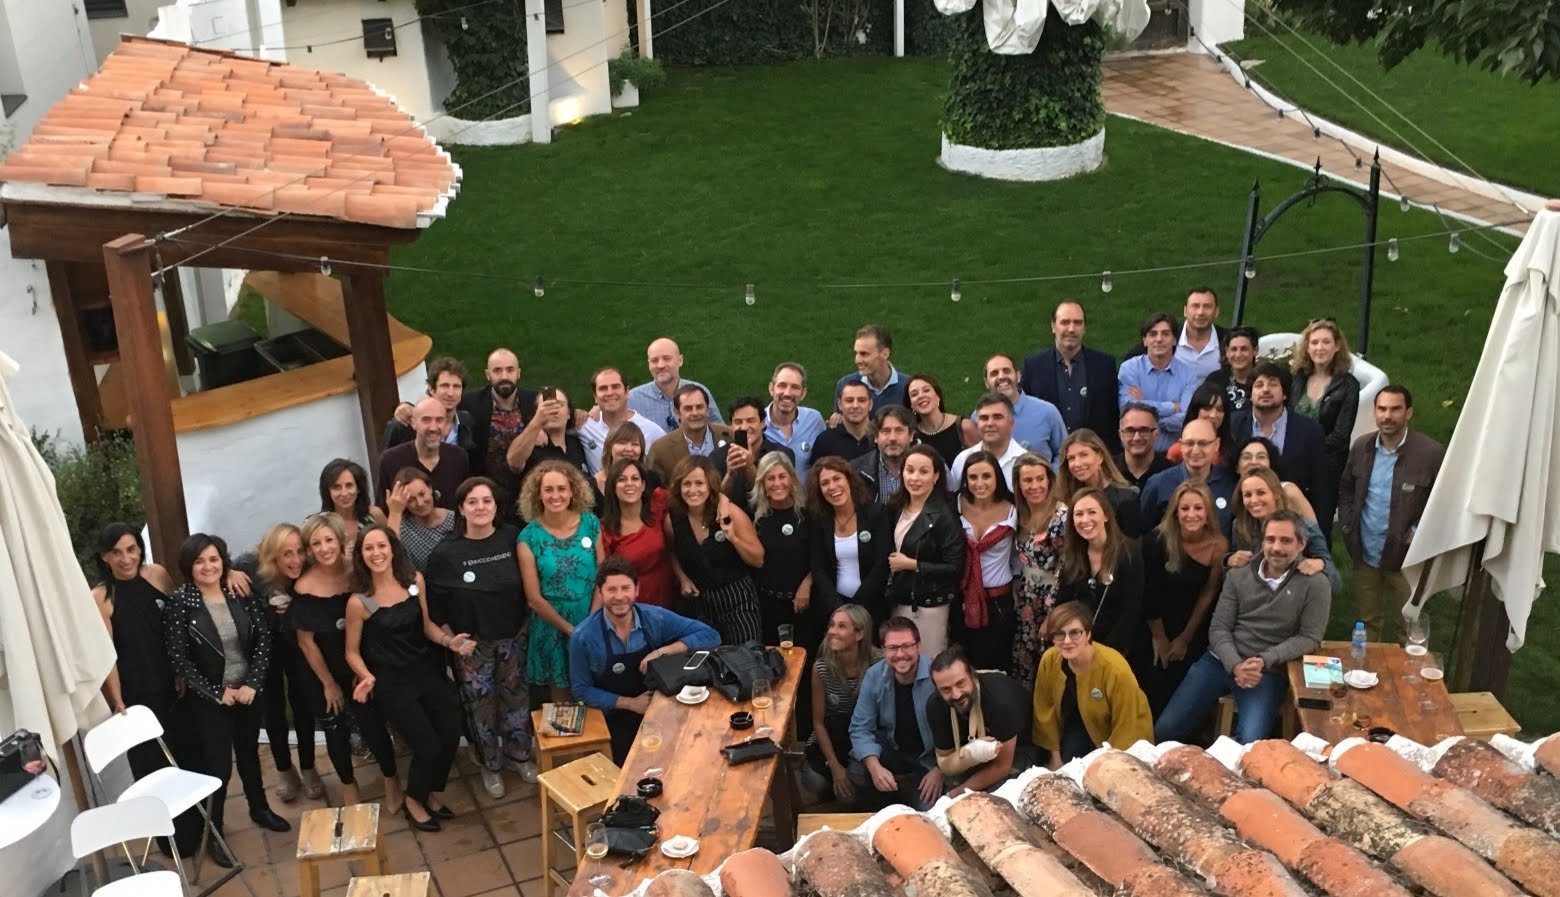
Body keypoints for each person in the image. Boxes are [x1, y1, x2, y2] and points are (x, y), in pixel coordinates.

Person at [1154, 511, 1331, 744]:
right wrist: (1236, 665)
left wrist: (1264, 660)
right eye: (1270, 540)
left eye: (1286, 541)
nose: (1276, 547)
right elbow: (1218, 628)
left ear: (1301, 544)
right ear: (1263, 541)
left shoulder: (1315, 584)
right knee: (1164, 730)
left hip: (1266, 670)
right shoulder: (1239, 575)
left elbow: (1310, 637)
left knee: (1250, 742)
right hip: (1219, 661)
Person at [163, 533, 280, 861]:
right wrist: (217, 693)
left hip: (247, 691)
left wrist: (253, 684)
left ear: (223, 561)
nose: (208, 566)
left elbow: (262, 638)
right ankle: (213, 832)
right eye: (199, 561)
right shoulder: (181, 602)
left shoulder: (237, 591)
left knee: (250, 754)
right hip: (211, 698)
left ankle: (260, 809)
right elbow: (179, 658)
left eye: (213, 559)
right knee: (218, 768)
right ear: (189, 566)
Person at [345, 526, 464, 831]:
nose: (376, 554)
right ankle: (414, 799)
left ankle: (427, 791)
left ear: (392, 548)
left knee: (451, 730)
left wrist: (450, 642)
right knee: (427, 746)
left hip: (426, 671)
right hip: (392, 684)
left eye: (381, 546)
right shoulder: (359, 602)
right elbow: (352, 653)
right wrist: (366, 676)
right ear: (361, 556)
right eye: (368, 549)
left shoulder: (414, 581)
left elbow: (426, 626)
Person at [424, 478, 535, 798]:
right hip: (473, 647)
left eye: (487, 501)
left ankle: (519, 755)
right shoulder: (446, 552)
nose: (480, 507)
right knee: (481, 710)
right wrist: (451, 640)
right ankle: (490, 765)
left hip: (513, 639)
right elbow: (434, 604)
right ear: (461, 508)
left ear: (496, 506)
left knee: (517, 701)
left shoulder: (512, 538)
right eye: (472, 502)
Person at [291, 514, 399, 809]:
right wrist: (328, 684)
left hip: (361, 666)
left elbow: (377, 611)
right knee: (334, 728)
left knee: (373, 724)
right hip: (322, 671)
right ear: (310, 550)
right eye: (316, 543)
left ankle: (391, 778)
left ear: (340, 541)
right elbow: (306, 641)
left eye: (329, 540)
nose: (324, 548)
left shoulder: (358, 573)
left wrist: (364, 670)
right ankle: (348, 785)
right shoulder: (304, 587)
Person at [568, 558, 720, 764]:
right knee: (629, 771)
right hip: (614, 716)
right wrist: (631, 704)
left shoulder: (654, 617)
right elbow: (581, 690)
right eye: (611, 590)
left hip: (659, 705)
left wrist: (663, 652)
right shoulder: (583, 636)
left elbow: (710, 635)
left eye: (625, 588)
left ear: (636, 589)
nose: (619, 596)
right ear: (600, 592)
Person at [1337, 386, 1445, 641]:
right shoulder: (1362, 446)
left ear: (1408, 412)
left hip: (1406, 557)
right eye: (1382, 409)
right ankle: (1366, 674)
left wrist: (1419, 531)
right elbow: (1346, 487)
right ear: (1374, 412)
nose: (1387, 416)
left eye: (1395, 409)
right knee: (1367, 623)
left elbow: (1442, 500)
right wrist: (1348, 523)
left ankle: (1405, 676)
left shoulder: (1430, 454)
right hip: (1365, 551)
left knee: (1408, 627)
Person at [92, 525, 183, 811]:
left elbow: (180, 623)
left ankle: (197, 821)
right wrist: (117, 698)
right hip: (138, 690)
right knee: (151, 762)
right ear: (105, 557)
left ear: (140, 549)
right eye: (116, 552)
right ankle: (166, 831)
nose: (125, 558)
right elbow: (108, 656)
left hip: (176, 684)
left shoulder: (157, 575)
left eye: (131, 549)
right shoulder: (101, 597)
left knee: (185, 753)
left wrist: (183, 671)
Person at [242, 524, 322, 804]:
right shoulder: (251, 568)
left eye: (299, 551)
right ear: (273, 555)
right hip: (265, 647)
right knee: (273, 708)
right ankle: (284, 769)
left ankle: (309, 767)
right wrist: (229, 572)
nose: (295, 559)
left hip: (297, 643)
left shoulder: (309, 569)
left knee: (303, 704)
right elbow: (224, 565)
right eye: (286, 554)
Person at [518, 461, 603, 702]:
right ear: (538, 494)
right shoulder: (528, 537)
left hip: (591, 617)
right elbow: (533, 598)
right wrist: (571, 631)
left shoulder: (590, 523)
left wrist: (591, 623)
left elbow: (601, 574)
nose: (556, 495)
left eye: (562, 489)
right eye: (549, 490)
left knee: (595, 691)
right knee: (563, 702)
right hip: (553, 626)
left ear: (572, 490)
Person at [1140, 482, 1228, 715]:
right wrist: (1160, 638)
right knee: (1156, 684)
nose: (1191, 515)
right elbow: (1149, 591)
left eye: (1198, 508)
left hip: (1192, 625)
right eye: (1184, 508)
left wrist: (1185, 638)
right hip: (1154, 624)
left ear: (1208, 512)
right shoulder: (1156, 541)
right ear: (1175, 512)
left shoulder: (1218, 545)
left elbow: (1209, 591)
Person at [1030, 601, 1152, 767]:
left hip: (1119, 737)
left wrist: (1109, 767)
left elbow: (1126, 725)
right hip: (1079, 724)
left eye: (1075, 633)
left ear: (1088, 634)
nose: (1066, 641)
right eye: (1059, 634)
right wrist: (1055, 758)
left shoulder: (1114, 668)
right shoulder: (1050, 660)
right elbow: (1044, 710)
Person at [665, 456, 765, 644]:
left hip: (738, 600)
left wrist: (733, 538)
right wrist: (682, 578)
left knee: (748, 661)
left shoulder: (731, 512)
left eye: (699, 483)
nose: (693, 490)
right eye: (687, 484)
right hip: (700, 605)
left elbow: (758, 559)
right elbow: (671, 552)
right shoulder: (673, 520)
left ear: (710, 485)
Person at [847, 617, 939, 810]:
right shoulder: (874, 675)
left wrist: (941, 771)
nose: (900, 654)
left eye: (907, 646)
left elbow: (960, 734)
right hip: (894, 749)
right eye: (893, 648)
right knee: (857, 770)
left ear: (918, 646)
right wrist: (875, 768)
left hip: (931, 759)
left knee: (928, 814)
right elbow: (860, 728)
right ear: (883, 650)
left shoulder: (937, 675)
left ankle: (909, 791)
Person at [884, 445, 965, 658]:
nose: (915, 478)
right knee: (901, 662)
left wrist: (913, 565)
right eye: (909, 470)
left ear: (936, 476)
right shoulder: (895, 507)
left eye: (923, 471)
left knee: (928, 663)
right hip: (900, 600)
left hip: (929, 606)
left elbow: (954, 566)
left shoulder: (945, 517)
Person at [1290, 318, 1361, 540]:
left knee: (1318, 530)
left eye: (1326, 342)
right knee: (1289, 526)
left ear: (1337, 346)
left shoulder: (1348, 385)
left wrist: (1307, 450)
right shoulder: (1297, 378)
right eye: (1314, 342)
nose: (1319, 348)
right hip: (1293, 465)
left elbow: (1341, 435)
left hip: (1326, 469)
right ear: (1307, 347)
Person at [927, 648, 1032, 797]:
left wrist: (955, 795)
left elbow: (1002, 767)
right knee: (939, 794)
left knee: (996, 796)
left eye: (960, 683)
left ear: (972, 674)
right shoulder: (935, 705)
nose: (956, 695)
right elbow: (946, 763)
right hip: (974, 750)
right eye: (946, 689)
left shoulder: (1001, 703)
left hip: (1019, 748)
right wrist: (970, 754)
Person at [1020, 301, 1121, 451]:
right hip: (1050, 459)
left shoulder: (1104, 365)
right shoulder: (1034, 366)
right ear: (1053, 326)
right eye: (1065, 322)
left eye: (1078, 323)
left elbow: (1112, 416)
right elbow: (1026, 413)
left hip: (1094, 458)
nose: (1071, 329)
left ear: (1084, 328)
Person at [1056, 486, 1143, 657]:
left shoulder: (1128, 553)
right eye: (1079, 514)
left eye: (1092, 512)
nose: (1085, 519)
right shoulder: (1072, 554)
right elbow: (1063, 602)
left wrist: (1103, 652)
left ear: (1106, 516)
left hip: (1114, 650)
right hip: (1076, 645)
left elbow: (1131, 610)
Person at [804, 605, 879, 803]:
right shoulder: (821, 668)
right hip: (832, 737)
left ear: (860, 633)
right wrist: (835, 766)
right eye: (832, 625)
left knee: (858, 785)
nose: (832, 631)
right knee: (817, 784)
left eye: (842, 626)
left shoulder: (878, 663)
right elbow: (818, 722)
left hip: (865, 735)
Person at [1230, 362, 1326, 512]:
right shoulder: (1233, 426)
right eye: (1259, 385)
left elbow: (1321, 488)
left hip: (1294, 517)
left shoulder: (1310, 432)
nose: (1266, 390)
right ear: (1250, 394)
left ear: (1285, 393)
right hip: (1244, 517)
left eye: (1273, 384)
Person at [953, 451, 1018, 674]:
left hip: (998, 601)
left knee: (995, 666)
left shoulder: (1013, 508)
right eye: (973, 477)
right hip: (961, 599)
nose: (979, 483)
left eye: (986, 476)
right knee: (963, 665)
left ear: (997, 478)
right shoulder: (956, 504)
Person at [1228, 467, 1340, 592]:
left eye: (1261, 493)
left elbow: (1335, 581)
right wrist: (1229, 560)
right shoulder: (1240, 526)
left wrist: (1321, 564)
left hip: (1294, 596)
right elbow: (1234, 576)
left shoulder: (1305, 525)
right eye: (1247, 495)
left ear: (1276, 493)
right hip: (1252, 597)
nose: (1254, 500)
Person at [807, 456, 889, 623]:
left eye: (837, 478)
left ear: (849, 480)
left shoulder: (876, 514)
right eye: (825, 483)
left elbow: (881, 564)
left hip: (871, 607)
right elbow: (818, 568)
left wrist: (856, 607)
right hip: (833, 608)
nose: (832, 487)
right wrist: (839, 608)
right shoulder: (818, 520)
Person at [1011, 454, 1068, 690]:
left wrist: (1053, 613)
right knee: (1024, 660)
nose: (1034, 486)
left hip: (1051, 597)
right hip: (1026, 595)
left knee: (1050, 659)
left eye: (1039, 479)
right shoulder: (1019, 514)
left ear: (1049, 480)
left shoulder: (1061, 515)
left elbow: (1066, 565)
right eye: (1027, 480)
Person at [461, 347, 539, 511]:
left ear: (518, 373)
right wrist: (406, 407)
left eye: (510, 370)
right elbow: (439, 406)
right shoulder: (469, 402)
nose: (504, 376)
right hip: (486, 495)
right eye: (497, 371)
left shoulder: (534, 401)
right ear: (488, 374)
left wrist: (585, 413)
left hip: (529, 494)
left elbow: (565, 410)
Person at [751, 452, 814, 645]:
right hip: (767, 604)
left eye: (782, 476)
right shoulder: (755, 516)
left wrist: (807, 583)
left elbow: (821, 555)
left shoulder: (808, 513)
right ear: (762, 483)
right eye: (770, 478)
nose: (777, 483)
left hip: (803, 603)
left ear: (792, 478)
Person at [1117, 313, 1199, 452]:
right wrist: (1172, 407)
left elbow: (1186, 418)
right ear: (1145, 340)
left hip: (1173, 455)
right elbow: (1127, 409)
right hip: (1135, 452)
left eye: (1165, 334)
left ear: (1174, 340)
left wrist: (1143, 407)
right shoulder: (1129, 369)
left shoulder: (1188, 374)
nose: (1159, 339)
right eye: (1153, 334)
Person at [600, 457, 675, 608]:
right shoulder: (605, 531)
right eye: (621, 480)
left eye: (635, 478)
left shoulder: (658, 506)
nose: (629, 484)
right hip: (633, 607)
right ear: (613, 487)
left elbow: (692, 495)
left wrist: (724, 502)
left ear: (643, 485)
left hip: (671, 598)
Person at [1139, 419, 1237, 532]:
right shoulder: (1158, 484)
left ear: (1216, 445)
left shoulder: (1230, 483)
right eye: (1189, 443)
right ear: (1181, 445)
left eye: (1203, 443)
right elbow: (1145, 533)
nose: (1195, 450)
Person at [378, 396, 470, 511]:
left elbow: (466, 501)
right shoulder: (391, 460)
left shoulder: (458, 457)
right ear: (413, 423)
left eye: (439, 420)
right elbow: (383, 510)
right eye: (426, 420)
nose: (433, 427)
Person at [383, 357, 478, 467]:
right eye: (445, 386)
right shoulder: (403, 425)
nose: (451, 393)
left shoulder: (466, 421)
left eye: (456, 386)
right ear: (432, 389)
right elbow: (386, 467)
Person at [972, 354, 1066, 464]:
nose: (1001, 376)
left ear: (1018, 376)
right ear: (986, 383)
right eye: (994, 373)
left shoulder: (1047, 412)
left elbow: (1064, 452)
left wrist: (1049, 477)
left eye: (1006, 371)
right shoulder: (977, 418)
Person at [1124, 288, 1228, 381]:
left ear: (1216, 312)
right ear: (1185, 311)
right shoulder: (1169, 335)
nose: (1200, 312)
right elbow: (1130, 362)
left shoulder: (1227, 339)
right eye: (1195, 306)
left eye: (1207, 307)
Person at [579, 366, 667, 474]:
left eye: (615, 387)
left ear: (627, 392)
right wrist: (575, 413)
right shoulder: (584, 427)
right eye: (603, 388)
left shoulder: (652, 431)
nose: (610, 393)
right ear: (595, 397)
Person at [716, 395, 794, 514]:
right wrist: (730, 474)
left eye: (751, 420)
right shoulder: (717, 456)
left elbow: (779, 497)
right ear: (731, 425)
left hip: (770, 519)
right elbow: (715, 502)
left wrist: (749, 467)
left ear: (762, 423)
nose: (745, 427)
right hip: (731, 523)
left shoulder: (782, 455)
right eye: (738, 422)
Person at [1059, 429, 1143, 538]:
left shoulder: (1125, 498)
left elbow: (1133, 546)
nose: (1077, 463)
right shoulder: (1065, 498)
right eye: (1071, 458)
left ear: (1100, 457)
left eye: (1084, 455)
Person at [507, 386, 589, 496]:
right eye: (546, 406)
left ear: (569, 413)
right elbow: (513, 462)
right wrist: (537, 423)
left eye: (559, 405)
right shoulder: (529, 445)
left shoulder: (578, 442)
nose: (553, 410)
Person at [629, 337, 723, 430]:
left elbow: (720, 431)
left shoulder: (699, 392)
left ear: (680, 360)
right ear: (649, 364)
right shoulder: (633, 399)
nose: (660, 365)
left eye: (667, 359)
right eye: (654, 361)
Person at [648, 385, 735, 485]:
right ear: (677, 413)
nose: (695, 413)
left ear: (707, 410)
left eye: (699, 407)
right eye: (688, 408)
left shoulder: (729, 436)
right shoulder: (661, 450)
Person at [947, 393, 1026, 492]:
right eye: (984, 418)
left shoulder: (1025, 462)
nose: (990, 423)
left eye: (997, 417)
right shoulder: (962, 460)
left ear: (1011, 423)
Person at [762, 362, 827, 477]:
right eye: (782, 385)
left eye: (795, 387)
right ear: (771, 389)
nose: (787, 393)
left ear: (803, 393)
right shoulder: (758, 422)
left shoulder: (814, 420)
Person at [385, 467, 455, 571]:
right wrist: (395, 513)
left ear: (430, 488)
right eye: (410, 500)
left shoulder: (455, 519)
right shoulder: (402, 528)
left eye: (422, 494)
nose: (420, 503)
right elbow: (389, 557)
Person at [1234, 436, 1317, 521]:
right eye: (1247, 457)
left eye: (1261, 457)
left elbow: (1314, 532)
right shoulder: (1234, 494)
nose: (1254, 462)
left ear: (1271, 464)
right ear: (1237, 467)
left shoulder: (1288, 491)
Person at [905, 373, 976, 467]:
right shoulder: (911, 435)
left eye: (926, 390)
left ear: (938, 396)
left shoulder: (964, 427)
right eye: (914, 394)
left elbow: (981, 461)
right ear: (911, 405)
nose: (921, 396)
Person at [592, 420, 663, 512]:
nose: (629, 449)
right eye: (622, 442)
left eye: (635, 444)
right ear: (609, 447)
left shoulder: (652, 480)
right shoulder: (591, 486)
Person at [835, 324, 908, 412]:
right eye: (856, 353)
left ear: (885, 354)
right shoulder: (845, 384)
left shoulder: (908, 387)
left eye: (864, 354)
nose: (857, 360)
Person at [318, 458, 387, 550]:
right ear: (327, 491)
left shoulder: (375, 515)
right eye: (336, 487)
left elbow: (392, 546)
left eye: (349, 485)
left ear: (358, 488)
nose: (344, 493)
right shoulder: (318, 524)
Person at [853, 405, 915, 505]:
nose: (892, 438)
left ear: (911, 435)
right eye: (886, 431)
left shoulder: (930, 467)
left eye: (899, 430)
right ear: (876, 437)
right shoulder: (856, 471)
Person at [1165, 382, 1235, 469]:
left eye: (1220, 410)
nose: (1213, 415)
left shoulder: (1232, 452)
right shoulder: (1177, 451)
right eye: (1207, 409)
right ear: (1196, 411)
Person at [812, 380, 874, 463]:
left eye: (861, 400)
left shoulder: (882, 437)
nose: (855, 406)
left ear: (870, 404)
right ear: (840, 404)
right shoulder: (825, 441)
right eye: (849, 400)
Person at [1113, 402, 1172, 490]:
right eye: (1130, 431)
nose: (1137, 438)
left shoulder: (1171, 474)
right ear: (1121, 435)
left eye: (1144, 430)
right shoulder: (1107, 471)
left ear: (1156, 434)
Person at [1202, 325, 1260, 412]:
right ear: (1227, 352)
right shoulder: (1215, 380)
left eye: (1244, 349)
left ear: (1255, 351)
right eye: (1233, 349)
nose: (1238, 354)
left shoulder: (1264, 381)